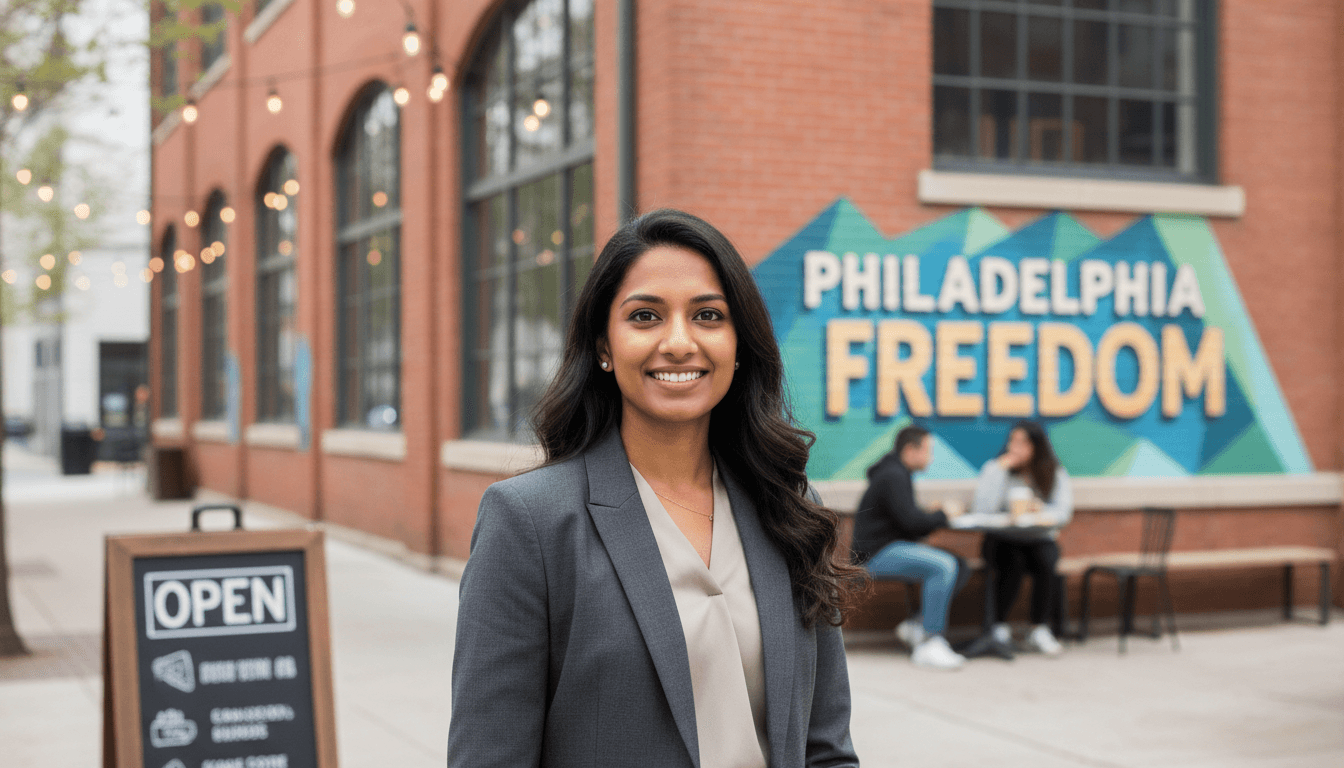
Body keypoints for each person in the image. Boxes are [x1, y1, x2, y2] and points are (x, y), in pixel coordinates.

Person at [447, 209, 864, 768]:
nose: (677, 342)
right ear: (603, 346)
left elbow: (827, 750)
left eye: (708, 316)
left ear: (738, 346)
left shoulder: (789, 510)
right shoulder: (530, 523)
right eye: (645, 316)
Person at [851, 425, 972, 670]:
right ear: (910, 449)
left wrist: (932, 514)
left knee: (959, 564)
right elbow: (912, 522)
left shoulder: (895, 472)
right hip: (874, 555)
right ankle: (929, 642)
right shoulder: (893, 475)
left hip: (887, 548)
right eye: (928, 450)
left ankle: (917, 626)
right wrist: (943, 513)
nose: (931, 457)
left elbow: (906, 519)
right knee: (943, 566)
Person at [970, 420, 1073, 656]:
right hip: (1002, 538)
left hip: (1038, 537)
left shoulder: (1052, 472)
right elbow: (982, 510)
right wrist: (1000, 470)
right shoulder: (995, 469)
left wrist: (1040, 511)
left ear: (1037, 446)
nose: (1016, 447)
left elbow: (1063, 513)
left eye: (1023, 442)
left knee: (1047, 560)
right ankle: (998, 625)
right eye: (1013, 441)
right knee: (1011, 562)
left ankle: (1039, 627)